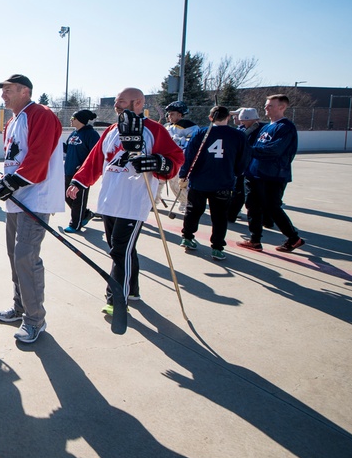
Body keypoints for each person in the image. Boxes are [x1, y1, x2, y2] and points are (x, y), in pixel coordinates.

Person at [67, 88, 184, 313]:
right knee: (121, 249)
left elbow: (176, 159)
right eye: (117, 101)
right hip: (110, 200)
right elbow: (95, 160)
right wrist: (78, 181)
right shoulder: (111, 130)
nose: (116, 105)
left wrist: (158, 163)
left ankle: (117, 299)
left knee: (119, 251)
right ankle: (132, 290)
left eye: (121, 101)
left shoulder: (154, 130)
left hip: (134, 202)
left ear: (138, 102)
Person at [0, 74, 65, 344]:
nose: (3, 95)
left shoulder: (40, 114)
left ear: (25, 91)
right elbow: (13, 162)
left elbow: (38, 158)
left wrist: (12, 182)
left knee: (25, 258)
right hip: (16, 201)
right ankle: (20, 308)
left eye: (8, 90)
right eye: (3, 90)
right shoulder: (14, 120)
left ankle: (34, 319)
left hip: (35, 199)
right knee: (14, 256)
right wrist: (1, 184)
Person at [178, 106, 248, 261]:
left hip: (199, 181)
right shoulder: (238, 135)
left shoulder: (201, 133)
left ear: (210, 118)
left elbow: (189, 155)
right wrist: (235, 172)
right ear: (228, 117)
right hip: (223, 182)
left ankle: (187, 237)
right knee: (219, 216)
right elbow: (242, 159)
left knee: (193, 210)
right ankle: (217, 247)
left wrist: (184, 174)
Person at [239, 94, 304, 253]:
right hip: (255, 174)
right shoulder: (265, 127)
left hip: (272, 175)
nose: (265, 108)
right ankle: (255, 240)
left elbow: (274, 150)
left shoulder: (285, 127)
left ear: (282, 107)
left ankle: (293, 238)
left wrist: (248, 150)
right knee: (253, 207)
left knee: (272, 207)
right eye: (266, 105)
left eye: (270, 105)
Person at [63, 109, 100, 233]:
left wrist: (83, 167)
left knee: (78, 200)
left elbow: (95, 154)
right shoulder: (74, 134)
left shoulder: (91, 134)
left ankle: (75, 224)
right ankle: (86, 214)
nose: (71, 120)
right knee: (66, 195)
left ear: (81, 120)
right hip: (68, 171)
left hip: (81, 174)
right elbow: (67, 149)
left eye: (73, 118)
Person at [226, 108, 265, 222]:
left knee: (248, 195)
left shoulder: (261, 129)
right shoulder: (242, 129)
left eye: (242, 118)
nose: (237, 119)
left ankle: (264, 218)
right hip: (242, 166)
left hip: (254, 167)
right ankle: (231, 214)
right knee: (238, 192)